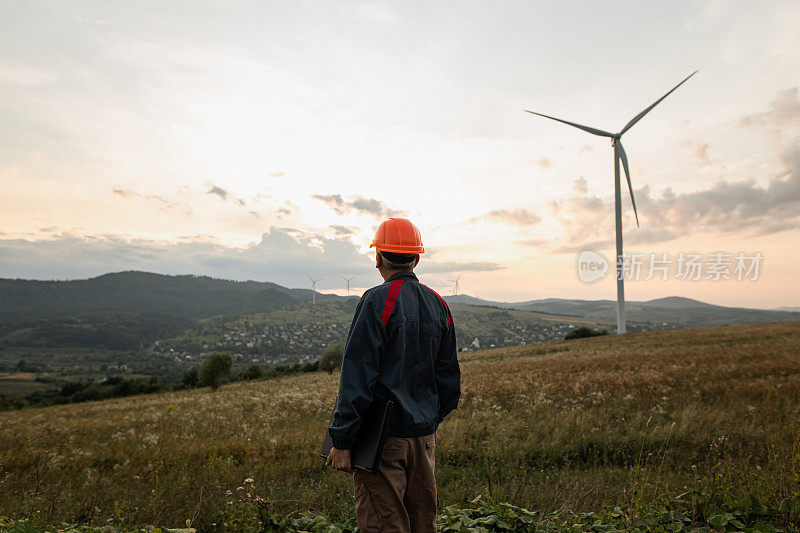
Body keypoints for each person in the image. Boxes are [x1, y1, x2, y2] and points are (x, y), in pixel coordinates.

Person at [325, 217, 461, 533]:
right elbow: (449, 380)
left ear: (377, 257)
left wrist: (342, 440)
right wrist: (427, 420)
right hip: (424, 439)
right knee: (421, 523)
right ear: (416, 258)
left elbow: (357, 377)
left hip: (383, 441)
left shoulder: (376, 301)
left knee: (384, 525)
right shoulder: (438, 302)